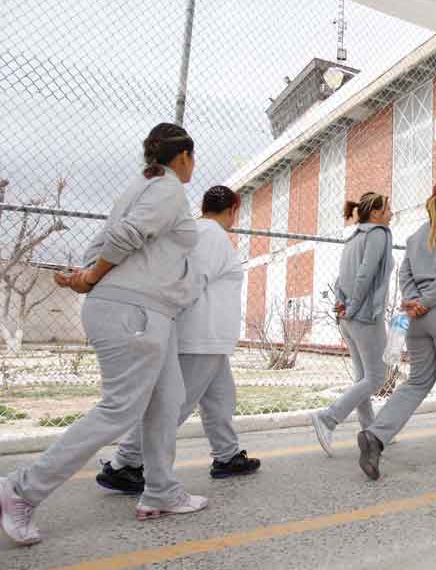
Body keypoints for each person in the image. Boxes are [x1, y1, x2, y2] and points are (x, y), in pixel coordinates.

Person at [0, 123, 206, 545]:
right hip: (135, 310)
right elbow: (126, 236)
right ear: (184, 156)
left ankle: (161, 491)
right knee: (119, 409)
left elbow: (108, 241)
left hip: (149, 310)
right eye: (193, 158)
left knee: (167, 399)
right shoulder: (168, 188)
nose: (194, 166)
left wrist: (88, 275)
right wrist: (92, 276)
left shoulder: (140, 187)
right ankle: (22, 490)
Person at [95, 185, 261, 495]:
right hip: (200, 336)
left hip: (209, 339)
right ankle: (126, 464)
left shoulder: (200, 232)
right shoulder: (212, 235)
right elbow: (192, 281)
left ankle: (227, 456)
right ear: (232, 210)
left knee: (220, 399)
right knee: (173, 406)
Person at [356, 177, 436, 480]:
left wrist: (415, 301)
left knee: (417, 382)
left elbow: (405, 273)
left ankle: (375, 435)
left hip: (417, 319)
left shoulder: (417, 235)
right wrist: (426, 301)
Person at [311, 193, 394, 455]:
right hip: (364, 316)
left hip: (348, 318)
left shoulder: (353, 238)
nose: (391, 213)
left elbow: (340, 279)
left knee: (363, 378)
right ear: (376, 213)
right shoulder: (379, 233)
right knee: (377, 378)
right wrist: (355, 307)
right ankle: (328, 418)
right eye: (388, 209)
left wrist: (343, 306)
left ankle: (372, 432)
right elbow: (365, 274)